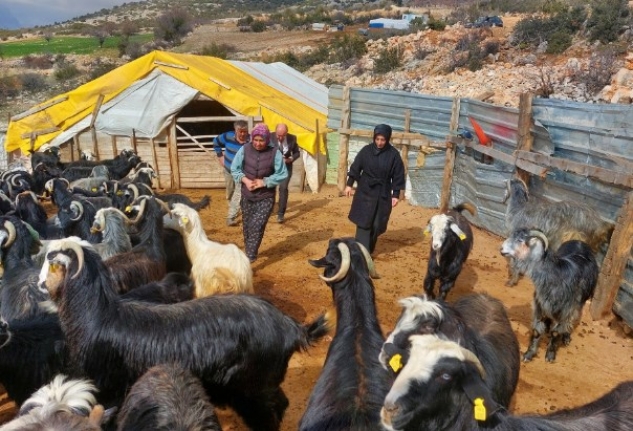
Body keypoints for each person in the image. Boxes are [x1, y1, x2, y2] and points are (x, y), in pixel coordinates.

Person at [344, 124, 406, 255]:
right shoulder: (366, 151)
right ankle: (361, 254)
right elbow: (356, 167)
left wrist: (395, 195)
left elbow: (398, 175)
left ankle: (367, 250)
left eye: (383, 140)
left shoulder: (393, 155)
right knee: (363, 222)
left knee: (377, 224)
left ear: (387, 139)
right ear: (374, 138)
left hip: (382, 193)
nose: (379, 143)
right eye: (377, 139)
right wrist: (349, 184)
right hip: (365, 190)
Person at [231, 123, 288, 263]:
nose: (258, 143)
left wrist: (264, 182)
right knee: (247, 227)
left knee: (256, 225)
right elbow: (235, 168)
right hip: (247, 195)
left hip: (265, 197)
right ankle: (251, 251)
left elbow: (282, 174)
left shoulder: (275, 153)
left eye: (261, 140)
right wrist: (245, 180)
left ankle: (249, 258)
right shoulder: (245, 149)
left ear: (267, 139)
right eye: (255, 140)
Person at [213, 120, 249, 226]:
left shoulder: (251, 140)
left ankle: (231, 216)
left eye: (245, 131)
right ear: (235, 130)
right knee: (230, 191)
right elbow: (215, 142)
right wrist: (220, 156)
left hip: (241, 173)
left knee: (238, 194)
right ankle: (231, 205)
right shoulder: (228, 136)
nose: (243, 134)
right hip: (228, 170)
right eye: (240, 131)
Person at [270, 123, 300, 223]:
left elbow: (297, 153)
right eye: (278, 135)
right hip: (271, 168)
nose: (280, 137)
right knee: (270, 188)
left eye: (283, 135)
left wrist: (290, 159)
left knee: (283, 188)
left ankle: (280, 214)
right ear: (275, 133)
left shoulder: (292, 138)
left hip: (286, 167)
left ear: (286, 133)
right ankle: (269, 208)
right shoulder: (269, 137)